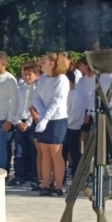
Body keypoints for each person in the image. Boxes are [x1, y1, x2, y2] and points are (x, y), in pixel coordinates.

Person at [30, 52, 71, 196]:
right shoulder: (42, 79)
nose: (40, 64)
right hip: (44, 119)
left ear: (52, 63)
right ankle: (45, 185)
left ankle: (58, 186)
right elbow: (36, 98)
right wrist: (42, 114)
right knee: (45, 152)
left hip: (57, 119)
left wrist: (45, 119)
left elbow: (56, 101)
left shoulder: (62, 79)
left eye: (43, 61)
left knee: (55, 153)